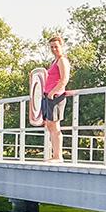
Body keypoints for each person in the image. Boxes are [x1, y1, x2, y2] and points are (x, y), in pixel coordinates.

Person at [43, 35, 71, 163]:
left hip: (56, 96)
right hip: (49, 95)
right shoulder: (54, 61)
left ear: (61, 46)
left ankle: (58, 156)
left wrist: (53, 92)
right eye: (52, 47)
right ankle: (55, 154)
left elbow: (64, 79)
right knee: (49, 124)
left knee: (55, 125)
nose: (54, 49)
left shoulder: (62, 60)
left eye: (56, 46)